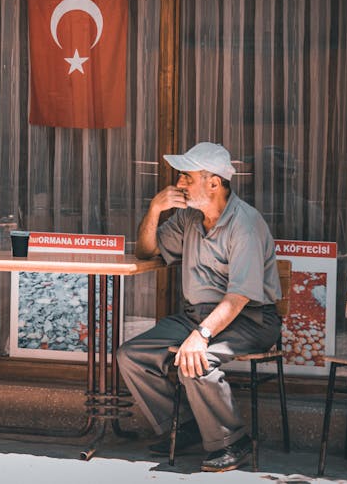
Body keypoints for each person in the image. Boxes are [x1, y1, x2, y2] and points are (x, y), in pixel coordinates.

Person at [117, 142, 281, 472]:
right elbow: (147, 253)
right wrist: (153, 211)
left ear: (213, 182)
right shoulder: (189, 218)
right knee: (131, 355)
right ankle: (186, 426)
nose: (179, 184)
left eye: (186, 178)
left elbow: (238, 298)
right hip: (196, 315)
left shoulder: (244, 224)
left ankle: (232, 442)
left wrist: (201, 335)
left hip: (249, 319)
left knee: (196, 360)